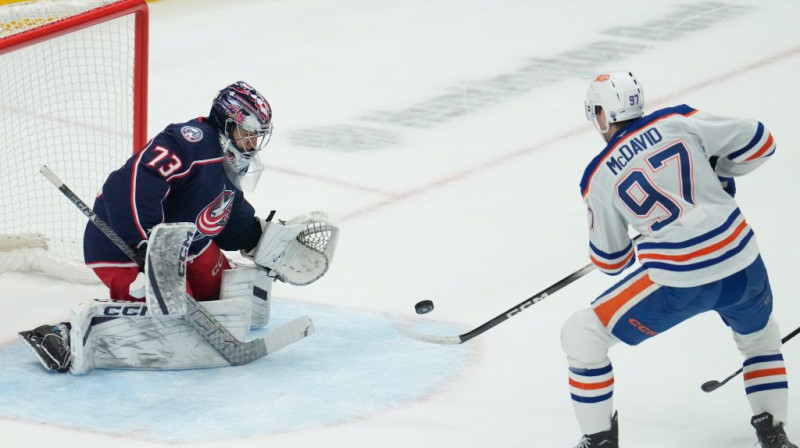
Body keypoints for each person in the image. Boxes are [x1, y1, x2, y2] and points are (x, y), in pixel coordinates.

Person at [18, 81, 338, 374]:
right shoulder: (189, 142)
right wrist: (143, 245)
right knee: (170, 320)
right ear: (227, 122)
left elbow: (224, 213)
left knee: (221, 299)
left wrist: (260, 238)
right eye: (248, 133)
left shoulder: (230, 159)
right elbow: (127, 186)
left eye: (258, 136)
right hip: (120, 244)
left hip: (185, 248)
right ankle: (63, 335)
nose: (253, 144)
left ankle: (167, 288)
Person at [562, 71, 794, 448]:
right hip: (743, 263)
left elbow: (612, 262)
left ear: (602, 115)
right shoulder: (679, 120)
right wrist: (717, 172)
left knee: (581, 335)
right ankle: (774, 434)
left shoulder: (598, 176)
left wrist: (645, 227)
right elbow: (761, 142)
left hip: (682, 282)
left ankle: (600, 439)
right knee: (760, 340)